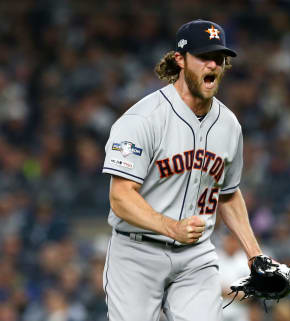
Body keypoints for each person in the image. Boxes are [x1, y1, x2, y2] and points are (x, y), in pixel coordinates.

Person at [101, 19, 264, 321]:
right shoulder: (142, 119)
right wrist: (170, 227)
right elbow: (121, 196)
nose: (213, 65)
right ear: (180, 59)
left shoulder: (228, 125)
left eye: (219, 58)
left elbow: (227, 194)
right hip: (137, 253)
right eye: (204, 57)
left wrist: (255, 255)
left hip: (195, 256)